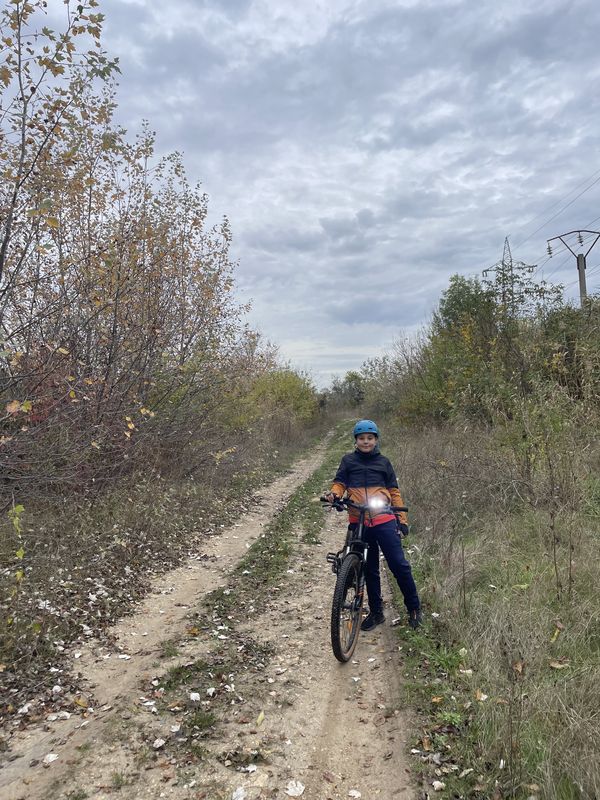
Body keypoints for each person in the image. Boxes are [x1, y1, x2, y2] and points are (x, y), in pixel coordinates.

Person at [325, 419, 422, 630]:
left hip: (383, 519)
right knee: (369, 569)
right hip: (358, 520)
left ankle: (414, 608)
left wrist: (402, 520)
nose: (366, 442)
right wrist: (335, 494)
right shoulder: (348, 461)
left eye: (370, 438)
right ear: (356, 441)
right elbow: (340, 483)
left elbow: (394, 492)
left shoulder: (384, 462)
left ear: (376, 440)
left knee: (399, 565)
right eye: (362, 438)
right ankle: (377, 613)